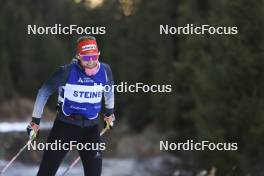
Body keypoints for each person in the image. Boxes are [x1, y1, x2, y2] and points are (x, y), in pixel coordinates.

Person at [26, 35, 115, 176]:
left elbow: (109, 90)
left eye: (94, 56)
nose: (91, 61)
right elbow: (43, 92)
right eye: (86, 58)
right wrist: (35, 121)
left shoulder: (105, 70)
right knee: (46, 172)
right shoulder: (65, 71)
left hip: (90, 130)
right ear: (78, 56)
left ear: (98, 54)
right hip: (64, 127)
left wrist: (109, 113)